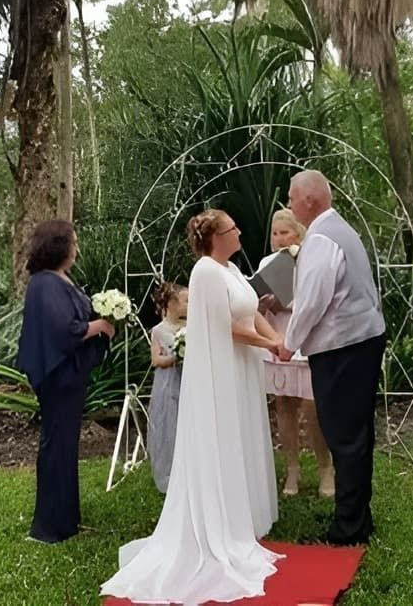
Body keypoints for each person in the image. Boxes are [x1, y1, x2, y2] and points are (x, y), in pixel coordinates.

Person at [101, 209, 284, 604]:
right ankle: (221, 526)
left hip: (243, 368)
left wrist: (280, 339)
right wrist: (270, 345)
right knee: (224, 439)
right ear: (215, 237)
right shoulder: (205, 273)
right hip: (223, 371)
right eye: (232, 228)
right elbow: (226, 326)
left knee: (246, 436)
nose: (239, 231)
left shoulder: (233, 271)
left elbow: (251, 312)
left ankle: (246, 516)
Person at [276, 170, 386, 546]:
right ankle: (358, 515)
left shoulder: (321, 239)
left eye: (292, 197)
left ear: (309, 200)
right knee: (356, 434)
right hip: (362, 340)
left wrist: (289, 343)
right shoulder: (343, 229)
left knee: (344, 436)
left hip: (343, 347)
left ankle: (349, 527)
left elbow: (311, 301)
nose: (289, 204)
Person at [17, 220, 115, 544]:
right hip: (57, 376)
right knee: (57, 445)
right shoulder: (45, 283)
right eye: (73, 242)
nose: (77, 249)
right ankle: (49, 527)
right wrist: (99, 325)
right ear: (58, 245)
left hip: (69, 376)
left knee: (64, 445)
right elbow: (64, 330)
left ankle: (66, 519)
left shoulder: (61, 279)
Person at [260, 209, 333, 497]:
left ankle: (325, 468)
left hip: (305, 343)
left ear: (299, 233)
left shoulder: (309, 260)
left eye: (285, 233)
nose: (279, 239)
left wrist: (285, 304)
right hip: (278, 339)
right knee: (284, 406)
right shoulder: (268, 263)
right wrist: (264, 303)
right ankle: (292, 468)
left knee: (313, 409)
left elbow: (317, 299)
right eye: (275, 233)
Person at [147, 281, 188, 493]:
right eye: (186, 301)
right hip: (169, 384)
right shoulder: (159, 331)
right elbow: (156, 360)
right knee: (170, 424)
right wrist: (176, 357)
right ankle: (170, 470)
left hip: (188, 381)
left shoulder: (189, 327)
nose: (190, 305)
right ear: (171, 304)